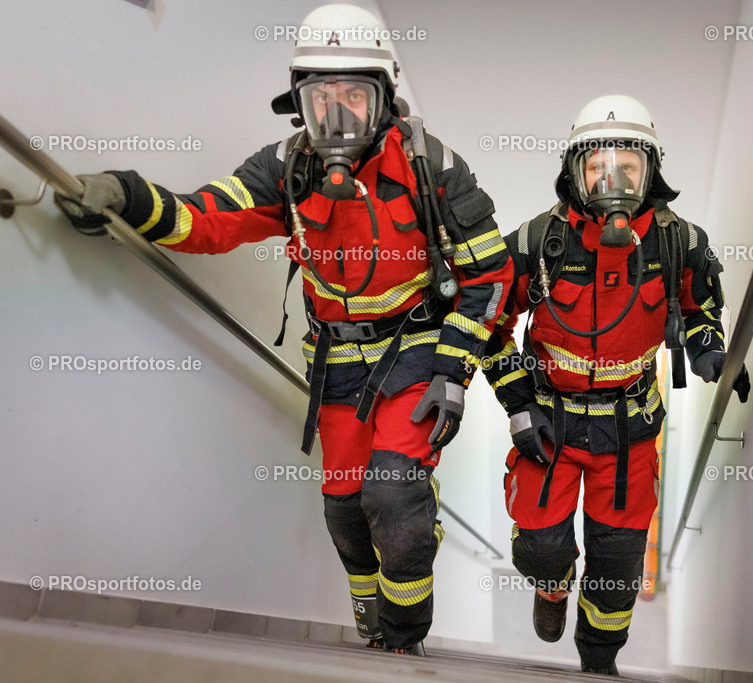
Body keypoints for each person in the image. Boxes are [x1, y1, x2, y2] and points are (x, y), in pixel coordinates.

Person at [54, 4, 513, 656]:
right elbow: (205, 217)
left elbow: (490, 276)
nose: (336, 115)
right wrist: (124, 194)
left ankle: (404, 635)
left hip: (416, 350)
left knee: (397, 490)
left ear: (385, 99)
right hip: (339, 362)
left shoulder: (434, 170)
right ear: (298, 101)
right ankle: (366, 592)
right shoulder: (287, 169)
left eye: (354, 96)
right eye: (319, 97)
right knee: (343, 505)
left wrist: (453, 372)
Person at [481, 95, 750, 675]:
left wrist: (711, 352)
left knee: (619, 567)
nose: (613, 180)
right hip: (549, 424)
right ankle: (551, 588)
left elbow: (701, 311)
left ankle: (599, 664)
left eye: (628, 167)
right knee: (541, 544)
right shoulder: (535, 243)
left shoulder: (680, 243)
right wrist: (517, 405)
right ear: (573, 171)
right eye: (598, 166)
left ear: (650, 171)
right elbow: (489, 327)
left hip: (629, 433)